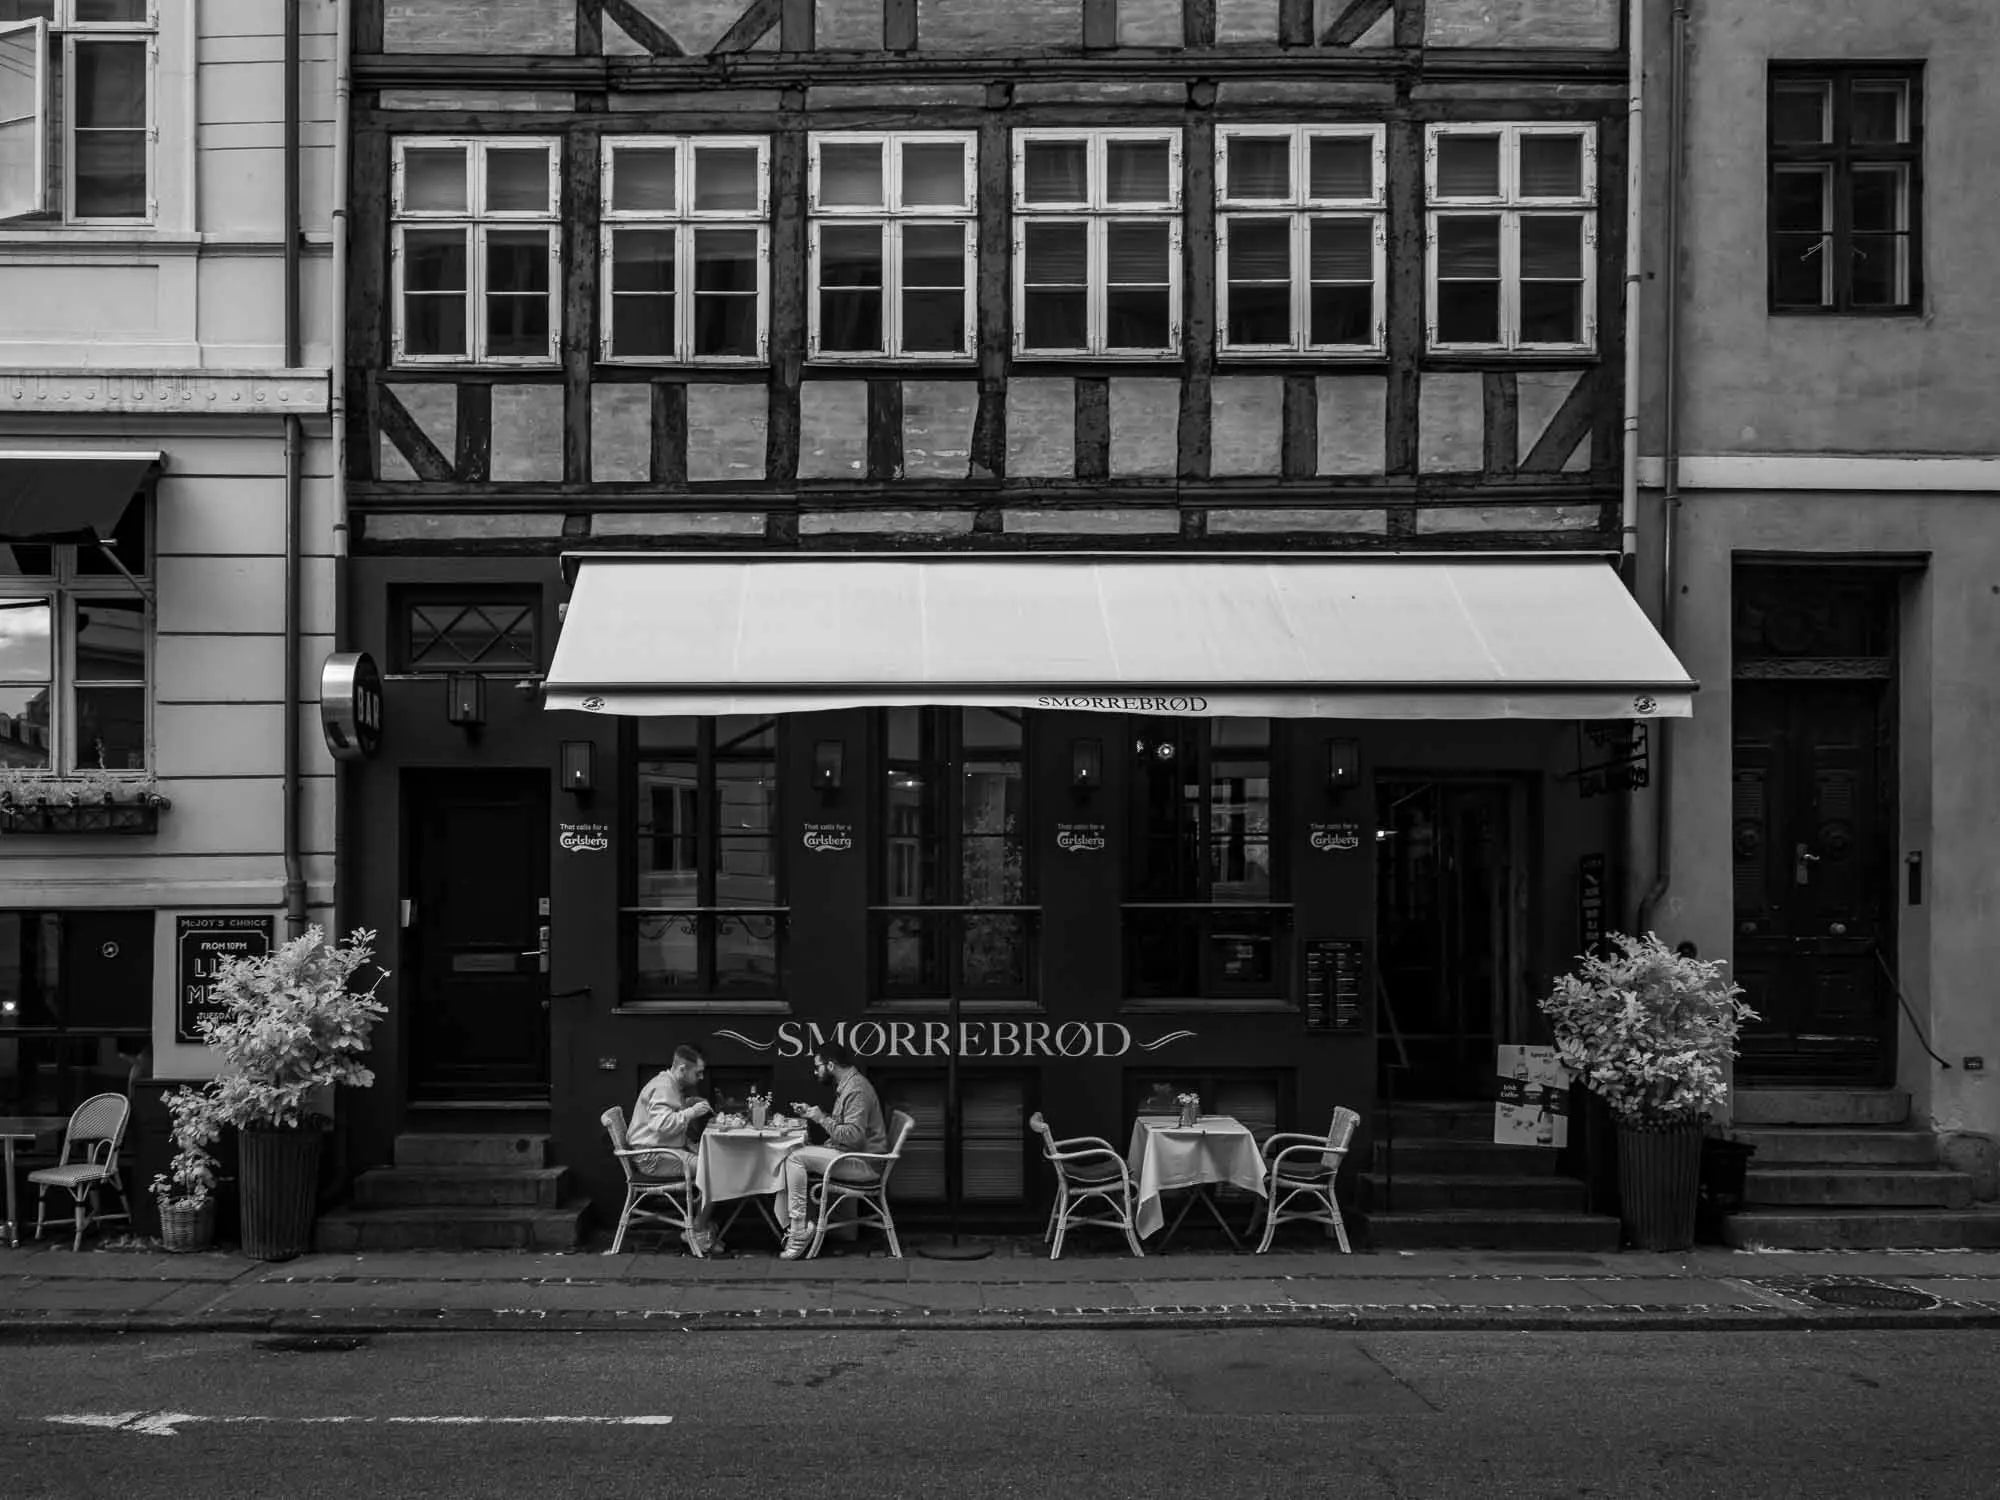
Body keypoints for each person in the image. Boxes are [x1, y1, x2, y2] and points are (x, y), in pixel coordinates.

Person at [774, 1040, 888, 1260]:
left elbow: (854, 1138)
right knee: (796, 1153)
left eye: (818, 1066)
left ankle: (798, 1230)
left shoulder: (856, 1090)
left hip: (864, 1164)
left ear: (831, 1065)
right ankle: (799, 1225)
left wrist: (821, 1119)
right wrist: (814, 1114)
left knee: (794, 1158)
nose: (815, 1071)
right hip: (853, 1157)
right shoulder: (849, 1085)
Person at [628, 1043, 720, 1256]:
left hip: (660, 1150)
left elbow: (663, 1120)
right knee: (715, 1171)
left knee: (713, 1163)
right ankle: (697, 1231)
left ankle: (701, 1225)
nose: (702, 1077)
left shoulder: (668, 1084)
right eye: (698, 1072)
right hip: (653, 1157)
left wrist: (686, 1105)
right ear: (681, 1070)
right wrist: (692, 1112)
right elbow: (661, 1125)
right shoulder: (664, 1087)